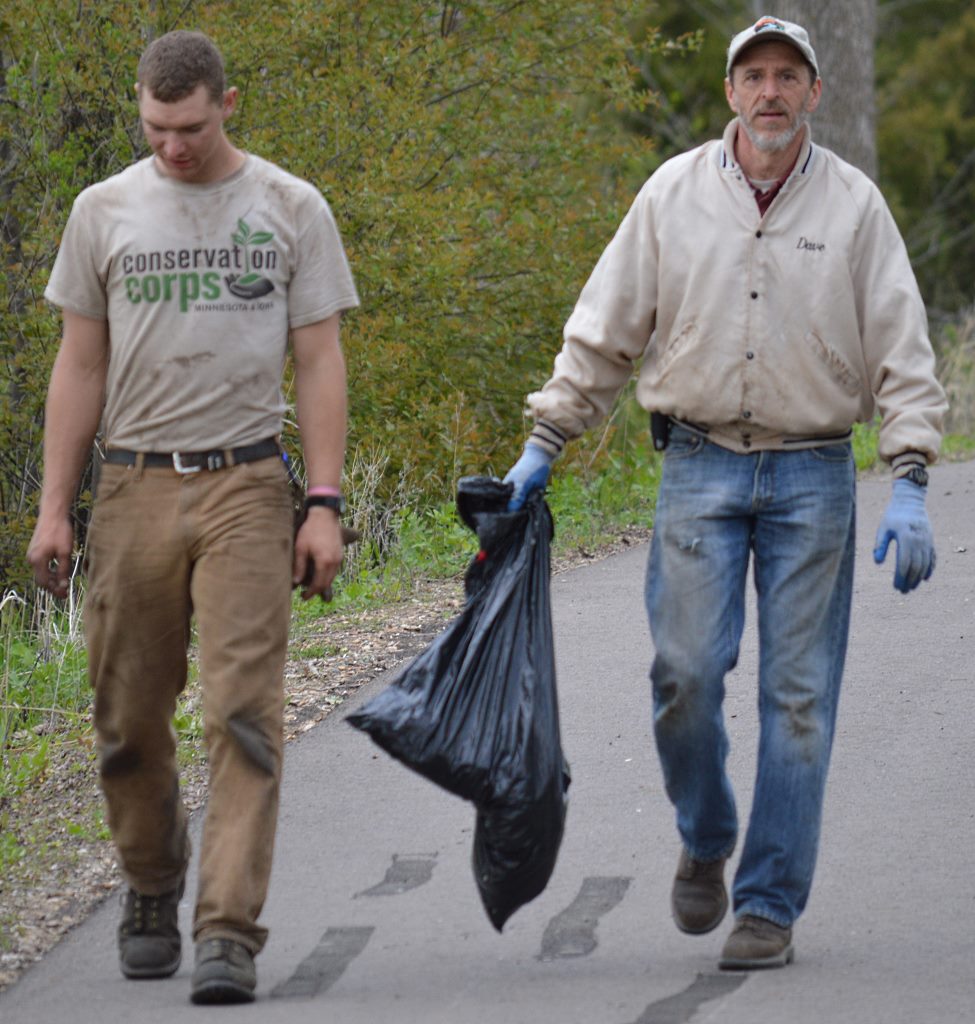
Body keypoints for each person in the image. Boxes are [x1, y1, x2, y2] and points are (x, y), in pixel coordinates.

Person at [504, 15, 947, 970]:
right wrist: (547, 438)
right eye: (755, 76)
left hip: (813, 473)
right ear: (731, 92)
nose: (772, 92)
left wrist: (908, 475)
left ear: (814, 94)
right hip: (697, 464)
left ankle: (768, 905)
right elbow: (606, 328)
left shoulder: (855, 209)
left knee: (797, 700)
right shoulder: (670, 195)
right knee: (684, 679)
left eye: (790, 76)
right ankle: (706, 834)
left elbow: (903, 350)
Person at [26, 30, 358, 1004]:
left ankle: (227, 927)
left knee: (243, 712)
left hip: (247, 485)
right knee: (128, 716)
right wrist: (57, 510)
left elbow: (320, 358)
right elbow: (79, 364)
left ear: (229, 104)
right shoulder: (105, 211)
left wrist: (325, 503)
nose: (173, 147)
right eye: (155, 127)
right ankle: (150, 879)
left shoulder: (290, 208)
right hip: (131, 485)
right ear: (142, 111)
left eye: (191, 127)